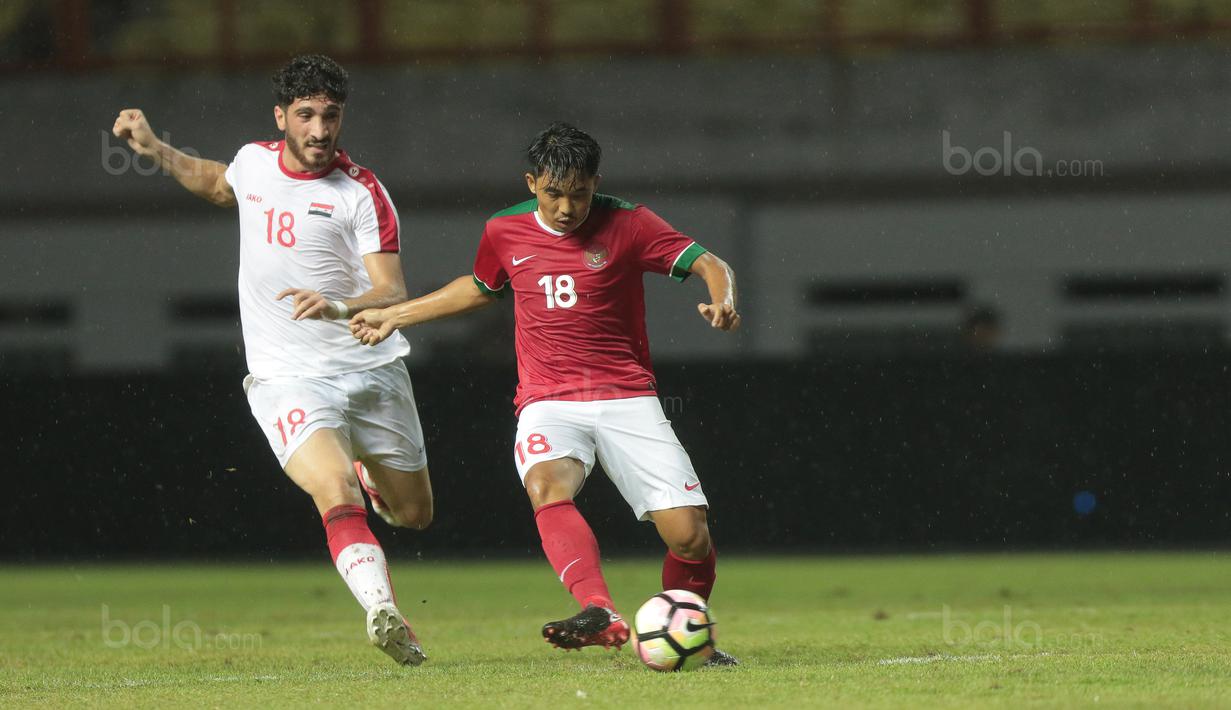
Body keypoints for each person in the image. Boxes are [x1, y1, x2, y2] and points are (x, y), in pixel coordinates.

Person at [351, 122, 740, 665]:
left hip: (626, 395)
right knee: (545, 484)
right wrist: (396, 315)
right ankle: (599, 611)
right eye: (554, 193)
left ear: (595, 183)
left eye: (579, 194)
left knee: (690, 537)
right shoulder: (503, 230)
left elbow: (708, 262)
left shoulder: (629, 223)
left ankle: (689, 638)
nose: (565, 208)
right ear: (532, 182)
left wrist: (722, 299)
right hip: (548, 399)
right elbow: (481, 287)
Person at [110, 55, 432, 667]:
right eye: (306, 115)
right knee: (333, 488)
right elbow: (218, 184)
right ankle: (382, 609)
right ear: (281, 116)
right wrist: (154, 148)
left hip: (370, 370)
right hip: (287, 377)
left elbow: (392, 290)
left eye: (330, 116)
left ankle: (370, 473)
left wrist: (340, 306)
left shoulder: (362, 192)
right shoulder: (254, 162)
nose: (319, 130)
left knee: (414, 514)